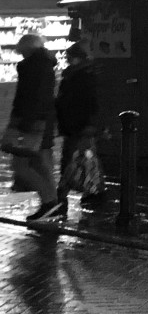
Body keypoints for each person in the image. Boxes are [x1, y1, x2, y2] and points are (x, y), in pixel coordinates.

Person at [7, 32, 60, 224]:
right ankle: (54, 203)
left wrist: (23, 122)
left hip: (31, 123)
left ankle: (49, 201)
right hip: (43, 121)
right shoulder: (46, 65)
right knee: (43, 163)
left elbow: (27, 98)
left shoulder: (31, 67)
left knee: (20, 164)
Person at [56, 42, 102, 207]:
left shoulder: (85, 75)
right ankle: (91, 190)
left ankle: (64, 194)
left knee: (74, 158)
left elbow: (91, 101)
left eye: (70, 56)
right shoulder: (72, 74)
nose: (68, 60)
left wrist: (90, 124)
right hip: (73, 124)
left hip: (80, 124)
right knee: (83, 158)